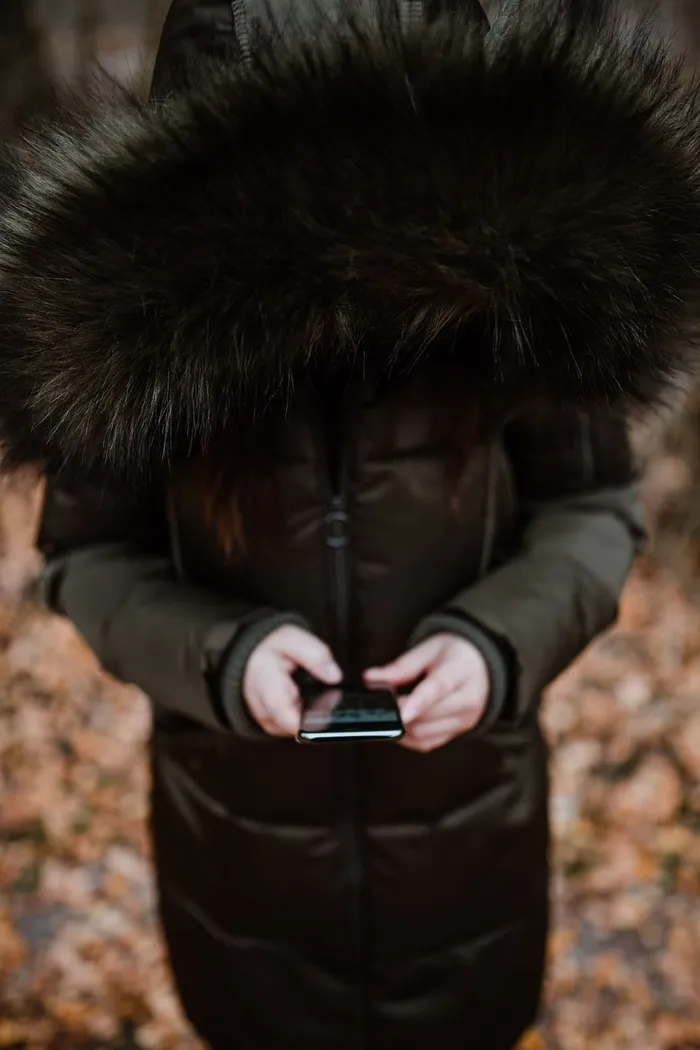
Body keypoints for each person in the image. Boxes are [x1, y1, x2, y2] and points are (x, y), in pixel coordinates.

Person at [1, 0, 700, 1046]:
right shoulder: (129, 341)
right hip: (236, 875)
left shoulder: (520, 302)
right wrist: (221, 656)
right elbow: (83, 554)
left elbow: (591, 512)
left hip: (468, 860)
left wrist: (492, 645)